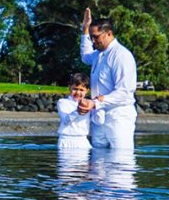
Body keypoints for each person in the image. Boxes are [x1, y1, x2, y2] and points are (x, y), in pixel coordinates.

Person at [78, 8, 138, 149]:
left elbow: (124, 92)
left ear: (109, 34)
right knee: (98, 158)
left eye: (96, 37)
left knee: (120, 157)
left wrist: (94, 103)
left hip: (119, 117)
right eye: (91, 37)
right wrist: (85, 29)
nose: (93, 41)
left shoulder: (121, 55)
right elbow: (85, 56)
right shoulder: (97, 54)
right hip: (99, 117)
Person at [57, 73, 104, 149]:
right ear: (69, 87)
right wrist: (78, 110)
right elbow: (66, 120)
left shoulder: (89, 104)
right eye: (75, 89)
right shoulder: (63, 102)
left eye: (81, 90)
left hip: (82, 140)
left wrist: (99, 105)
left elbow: (99, 121)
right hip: (66, 140)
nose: (78, 92)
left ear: (87, 91)